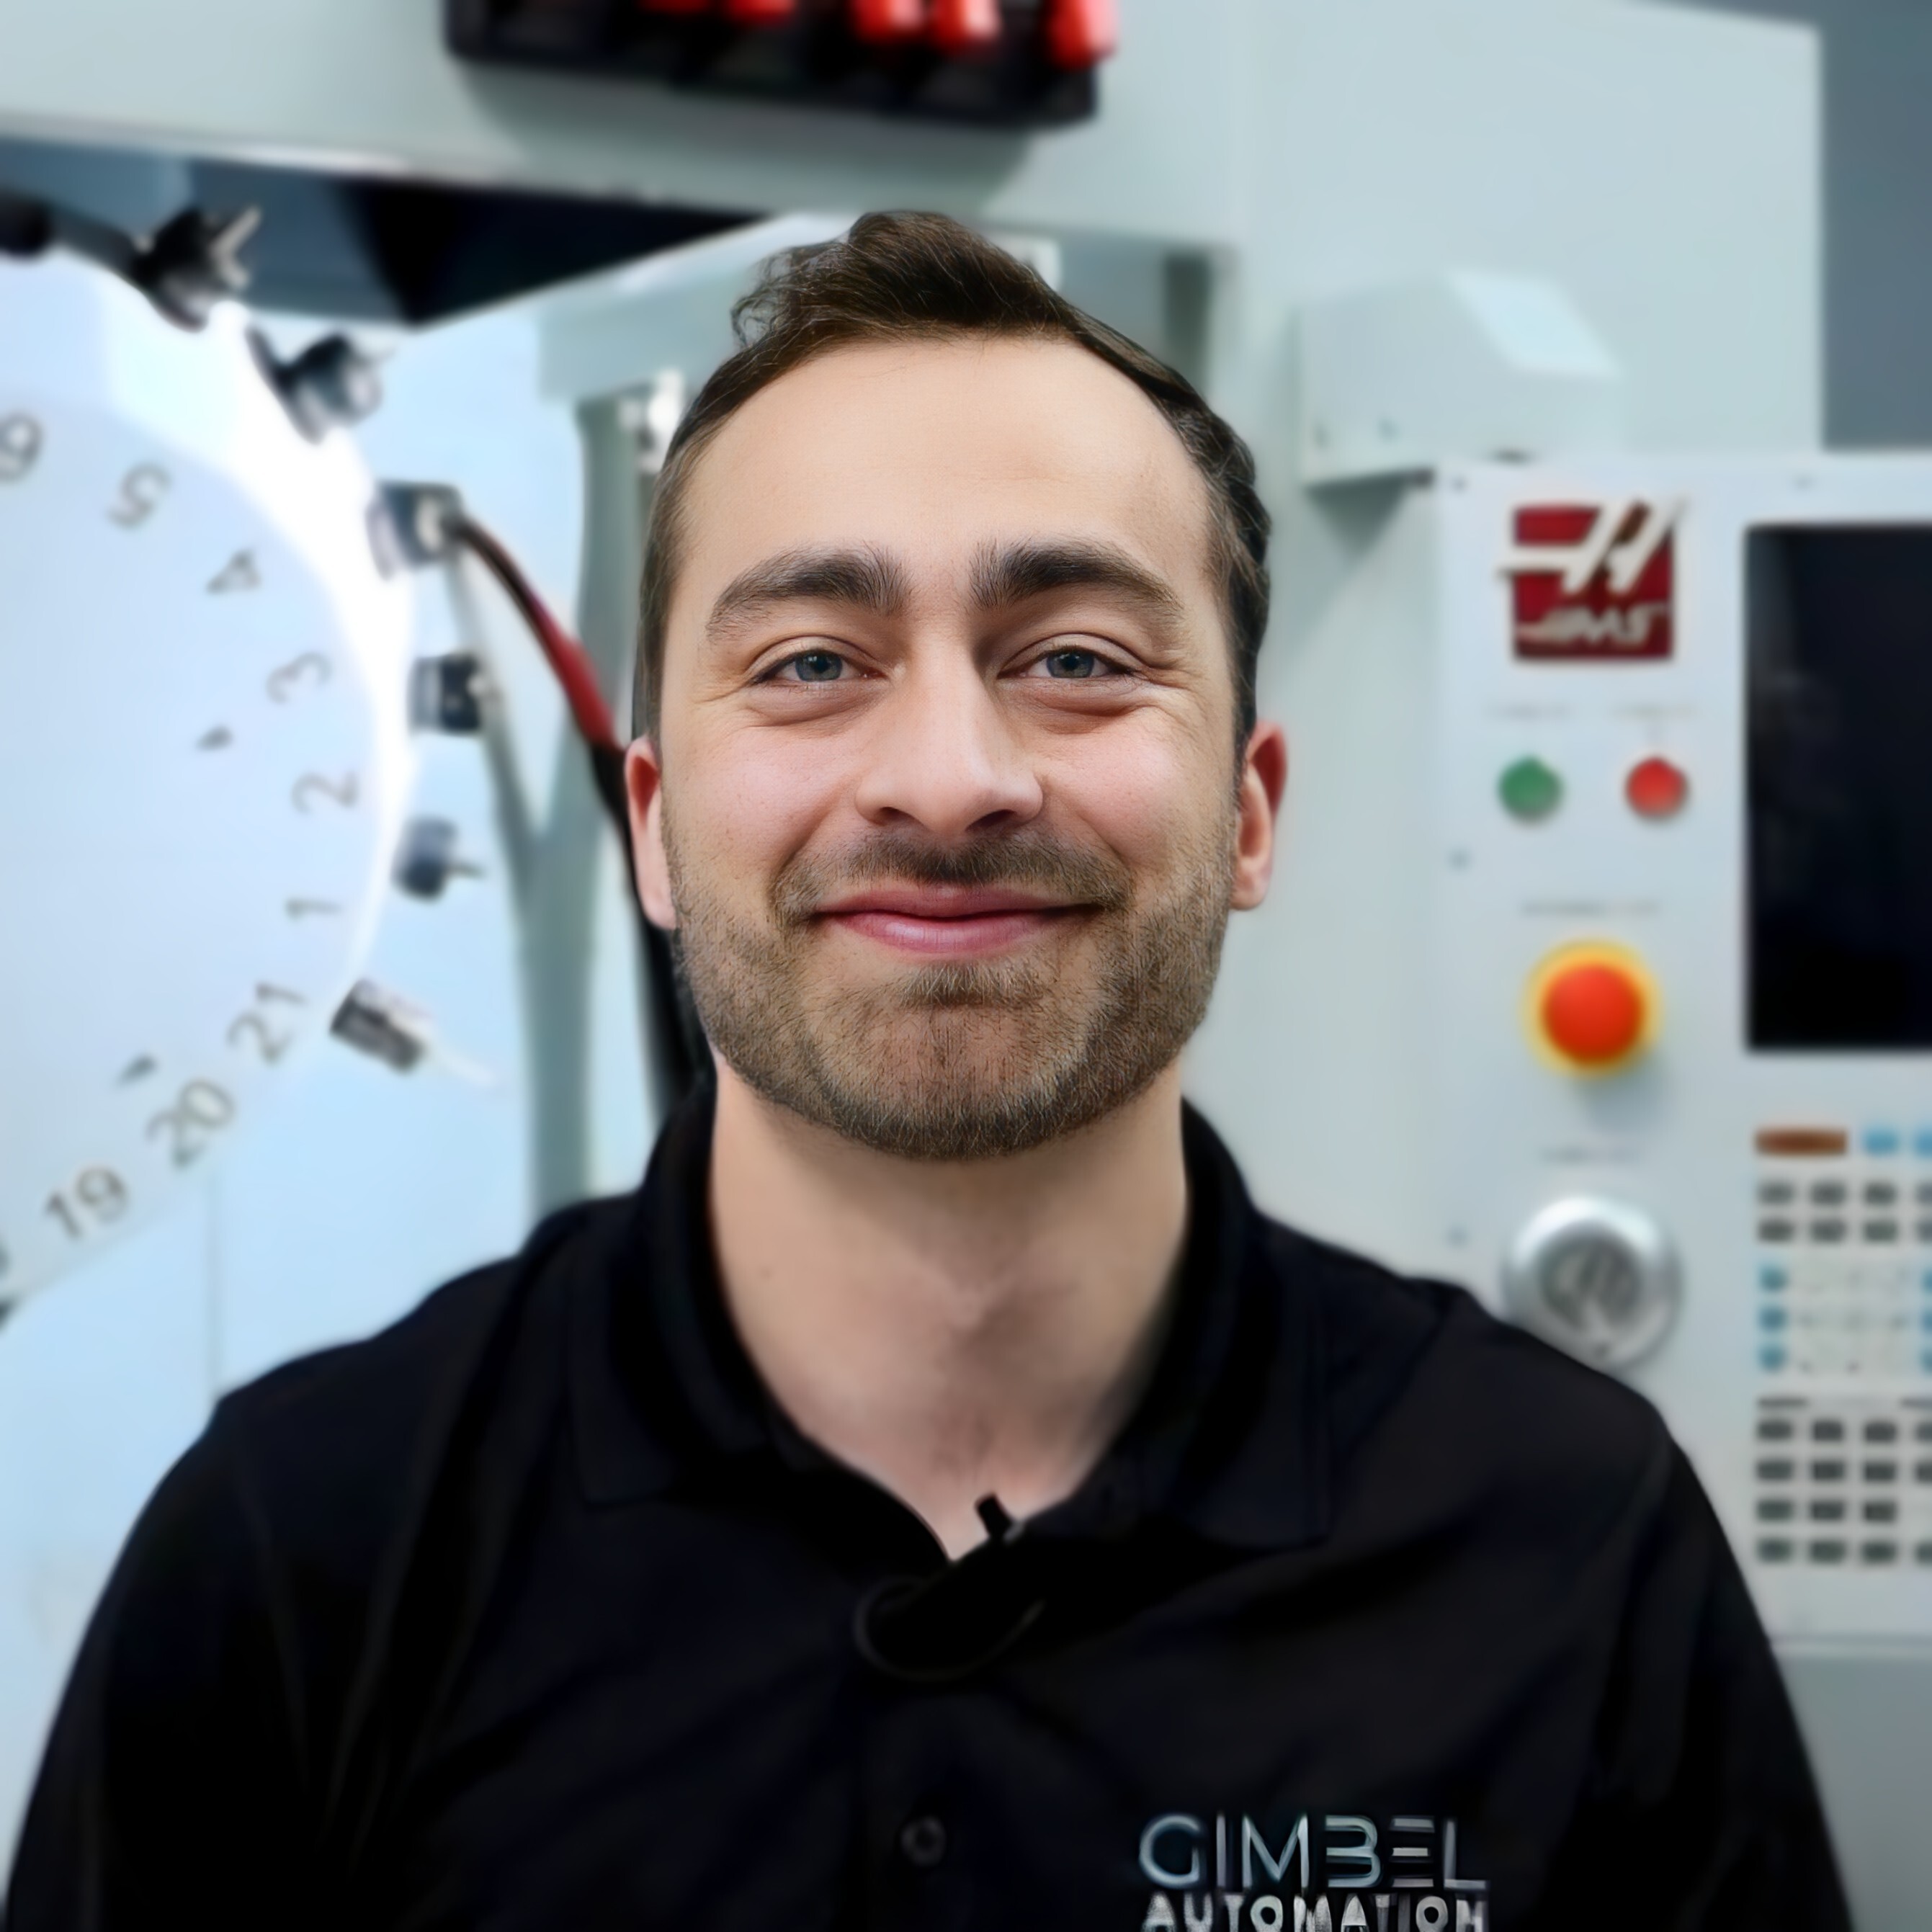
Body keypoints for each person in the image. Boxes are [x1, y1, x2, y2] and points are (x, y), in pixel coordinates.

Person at [6, 213, 1847, 1932]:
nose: (951, 780)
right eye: (814, 661)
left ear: (1248, 811)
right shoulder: (303, 1554)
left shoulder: (1563, 1539)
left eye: (1076, 657)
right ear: (653, 826)